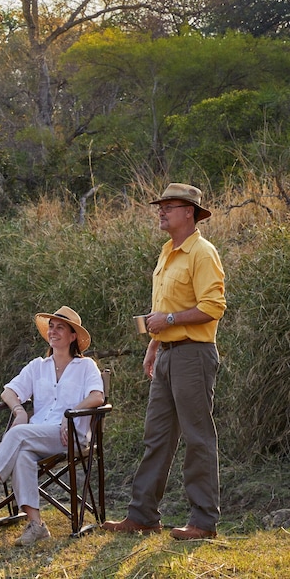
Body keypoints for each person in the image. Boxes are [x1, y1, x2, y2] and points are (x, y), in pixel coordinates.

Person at [103, 183, 226, 541]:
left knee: (197, 438)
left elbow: (213, 307)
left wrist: (169, 323)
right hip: (169, 354)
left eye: (168, 206)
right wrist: (154, 345)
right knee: (156, 438)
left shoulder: (203, 253)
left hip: (194, 356)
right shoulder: (166, 252)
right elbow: (164, 309)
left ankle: (203, 522)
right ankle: (142, 516)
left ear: (189, 211)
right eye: (161, 206)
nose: (161, 211)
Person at [0, 306, 105, 546]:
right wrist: (19, 410)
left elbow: (97, 397)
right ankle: (37, 525)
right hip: (37, 436)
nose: (53, 331)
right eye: (51, 327)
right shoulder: (38, 366)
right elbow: (8, 391)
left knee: (19, 434)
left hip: (70, 436)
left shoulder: (86, 367)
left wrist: (67, 415)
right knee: (22, 453)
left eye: (60, 327)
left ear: (73, 336)